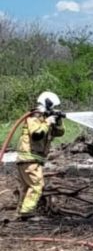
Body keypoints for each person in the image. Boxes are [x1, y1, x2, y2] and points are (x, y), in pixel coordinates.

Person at [15, 91, 65, 220]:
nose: (53, 109)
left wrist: (57, 121)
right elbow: (36, 135)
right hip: (29, 158)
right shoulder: (34, 117)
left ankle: (21, 212)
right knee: (37, 185)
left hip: (30, 159)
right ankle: (27, 213)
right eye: (52, 106)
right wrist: (47, 122)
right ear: (47, 103)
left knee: (27, 187)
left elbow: (59, 133)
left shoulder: (43, 118)